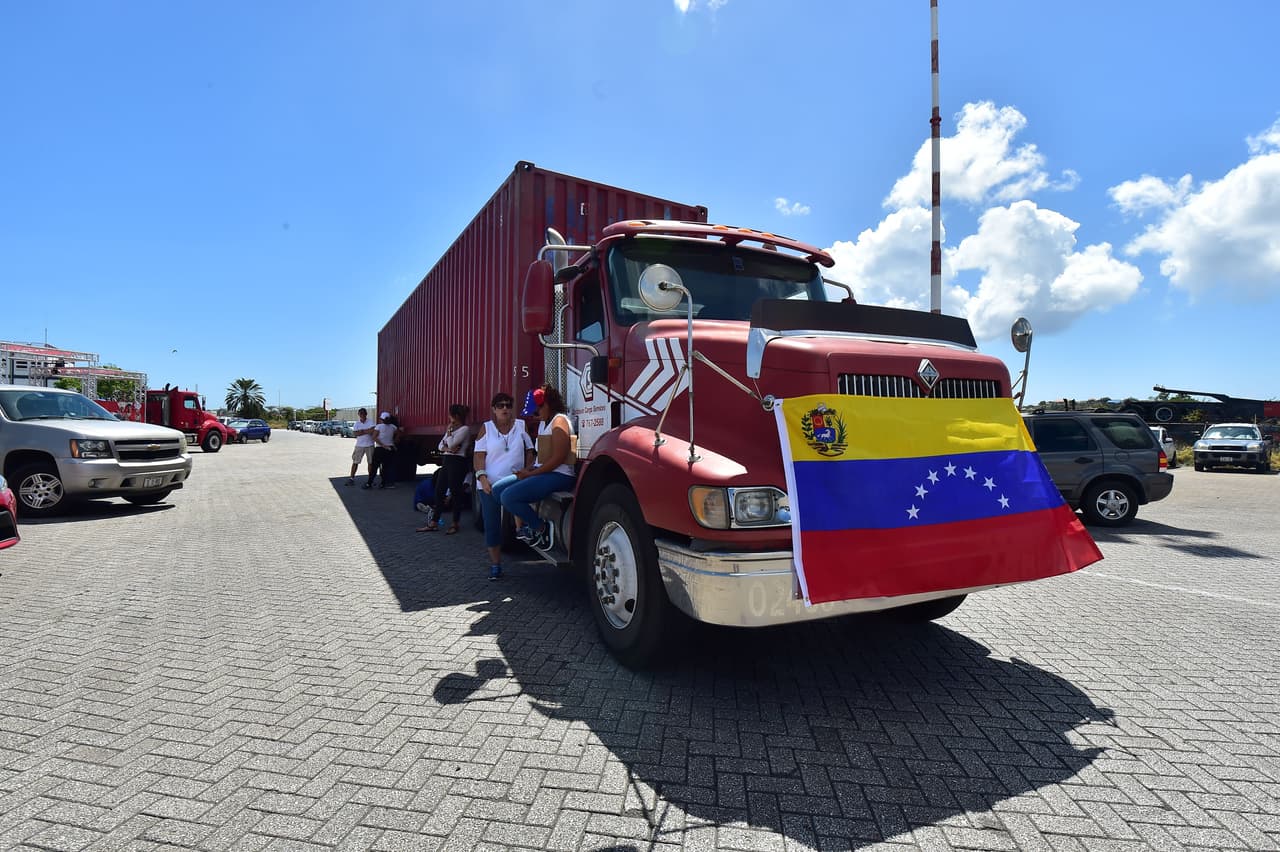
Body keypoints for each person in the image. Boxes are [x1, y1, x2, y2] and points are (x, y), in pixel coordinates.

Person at [494, 384, 576, 553]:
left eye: (536, 411)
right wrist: (528, 470)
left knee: (508, 497)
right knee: (497, 490)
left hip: (559, 475)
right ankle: (528, 525)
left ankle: (541, 528)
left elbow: (559, 458)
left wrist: (532, 474)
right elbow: (541, 457)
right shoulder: (544, 423)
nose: (535, 415)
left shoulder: (559, 421)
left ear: (547, 404)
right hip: (544, 472)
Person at [467, 392, 534, 580]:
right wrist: (482, 478)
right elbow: (478, 456)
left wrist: (527, 470)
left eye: (508, 405)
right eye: (500, 405)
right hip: (489, 484)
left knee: (521, 509)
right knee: (492, 525)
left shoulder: (521, 425)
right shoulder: (486, 428)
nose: (505, 408)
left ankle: (523, 529)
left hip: (514, 481)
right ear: (494, 409)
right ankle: (496, 565)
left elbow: (530, 451)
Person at [417, 404, 471, 534]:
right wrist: (448, 447)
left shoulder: (464, 429)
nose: (448, 417)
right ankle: (434, 522)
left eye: (450, 415)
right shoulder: (451, 430)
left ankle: (455, 523)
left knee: (455, 492)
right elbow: (440, 446)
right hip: (447, 461)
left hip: (457, 462)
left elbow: (451, 444)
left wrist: (449, 436)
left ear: (456, 416)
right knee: (439, 491)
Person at [347, 408, 376, 487]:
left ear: (366, 414)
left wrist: (362, 431)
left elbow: (372, 431)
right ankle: (351, 478)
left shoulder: (371, 422)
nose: (362, 415)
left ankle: (370, 480)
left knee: (370, 463)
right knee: (355, 462)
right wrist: (367, 431)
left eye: (363, 413)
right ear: (358, 414)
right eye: (360, 413)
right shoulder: (357, 423)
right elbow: (355, 434)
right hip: (359, 445)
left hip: (369, 445)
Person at [371, 411, 400, 489]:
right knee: (386, 467)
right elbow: (399, 434)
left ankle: (370, 482)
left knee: (375, 466)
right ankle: (384, 483)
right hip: (390, 448)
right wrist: (394, 442)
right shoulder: (393, 427)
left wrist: (383, 445)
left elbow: (374, 437)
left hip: (380, 448)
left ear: (382, 419)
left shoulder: (378, 426)